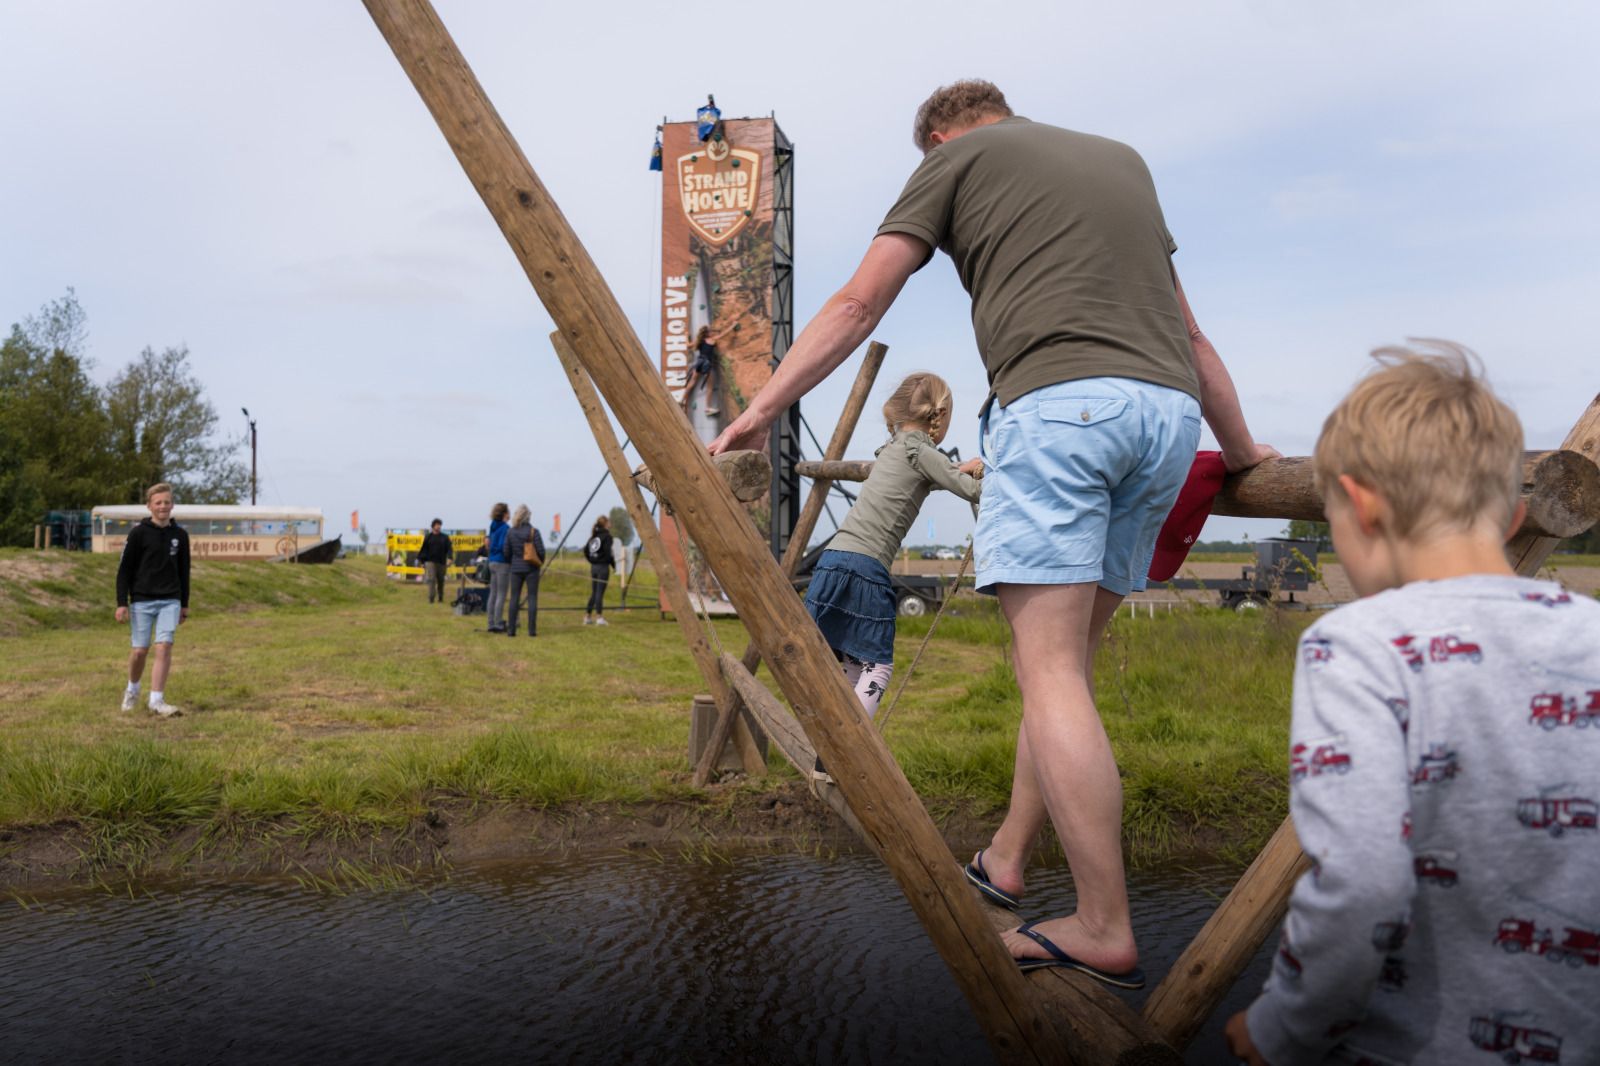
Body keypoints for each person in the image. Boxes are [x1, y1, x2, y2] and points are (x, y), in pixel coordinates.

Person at [710, 79, 1275, 986]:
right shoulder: (1122, 161)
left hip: (1061, 412)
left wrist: (762, 411)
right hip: (1167, 422)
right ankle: (1009, 860)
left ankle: (1102, 923)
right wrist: (1242, 451)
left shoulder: (954, 161)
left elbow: (859, 304)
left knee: (1048, 676)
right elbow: (1192, 335)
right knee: (1065, 677)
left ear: (936, 137)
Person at [1225, 344, 1600, 1066]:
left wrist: (1281, 1028)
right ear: (1517, 512)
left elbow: (1362, 881)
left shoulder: (1356, 645)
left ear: (1360, 506)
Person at [806, 372, 981, 723]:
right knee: (877, 668)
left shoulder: (890, 450)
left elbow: (917, 482)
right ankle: (854, 748)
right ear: (940, 416)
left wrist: (956, 469)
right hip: (866, 567)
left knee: (852, 664)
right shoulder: (922, 449)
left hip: (832, 562)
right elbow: (974, 492)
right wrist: (983, 472)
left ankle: (828, 756)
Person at [114, 482, 190, 717]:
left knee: (164, 646)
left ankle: (156, 700)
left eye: (167, 502)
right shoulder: (138, 533)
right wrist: (121, 602)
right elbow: (124, 569)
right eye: (158, 503)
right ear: (149, 506)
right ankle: (132, 689)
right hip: (142, 600)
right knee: (139, 651)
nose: (163, 506)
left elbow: (184, 571)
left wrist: (184, 604)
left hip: (170, 600)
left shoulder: (180, 535)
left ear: (172, 505)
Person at [505, 504, 544, 638]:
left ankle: (511, 631)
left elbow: (506, 552)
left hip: (515, 569)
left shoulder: (510, 532)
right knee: (532, 598)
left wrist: (513, 562)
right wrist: (539, 563)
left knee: (514, 599)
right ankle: (531, 631)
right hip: (532, 569)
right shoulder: (534, 531)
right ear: (528, 516)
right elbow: (541, 551)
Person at [680, 325, 722, 416]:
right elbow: (724, 334)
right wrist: (733, 326)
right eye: (710, 331)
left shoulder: (700, 341)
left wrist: (686, 335)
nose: (712, 332)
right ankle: (707, 408)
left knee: (692, 382)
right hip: (707, 364)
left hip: (699, 362)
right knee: (710, 386)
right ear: (707, 333)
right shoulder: (712, 340)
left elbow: (688, 345)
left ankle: (681, 400)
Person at [583, 515, 614, 626]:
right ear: (605, 524)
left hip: (594, 567)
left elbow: (585, 550)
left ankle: (587, 616)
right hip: (603, 568)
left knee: (595, 592)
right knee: (599, 592)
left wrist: (592, 560)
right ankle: (599, 618)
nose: (611, 523)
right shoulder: (607, 536)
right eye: (609, 522)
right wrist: (614, 565)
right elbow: (608, 554)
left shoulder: (594, 536)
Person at [484, 502, 511, 633]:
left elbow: (491, 542)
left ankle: (490, 622)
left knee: (493, 593)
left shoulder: (493, 526)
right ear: (505, 513)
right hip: (502, 563)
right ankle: (498, 622)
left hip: (492, 561)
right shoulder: (506, 528)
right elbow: (503, 546)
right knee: (501, 594)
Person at [417, 519, 453, 604]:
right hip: (430, 562)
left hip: (441, 562)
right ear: (433, 526)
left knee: (441, 580)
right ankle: (431, 598)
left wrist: (450, 558)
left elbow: (449, 549)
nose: (438, 526)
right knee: (431, 579)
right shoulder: (428, 537)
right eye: (437, 525)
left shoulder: (445, 537)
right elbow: (424, 549)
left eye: (439, 525)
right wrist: (422, 561)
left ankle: (440, 597)